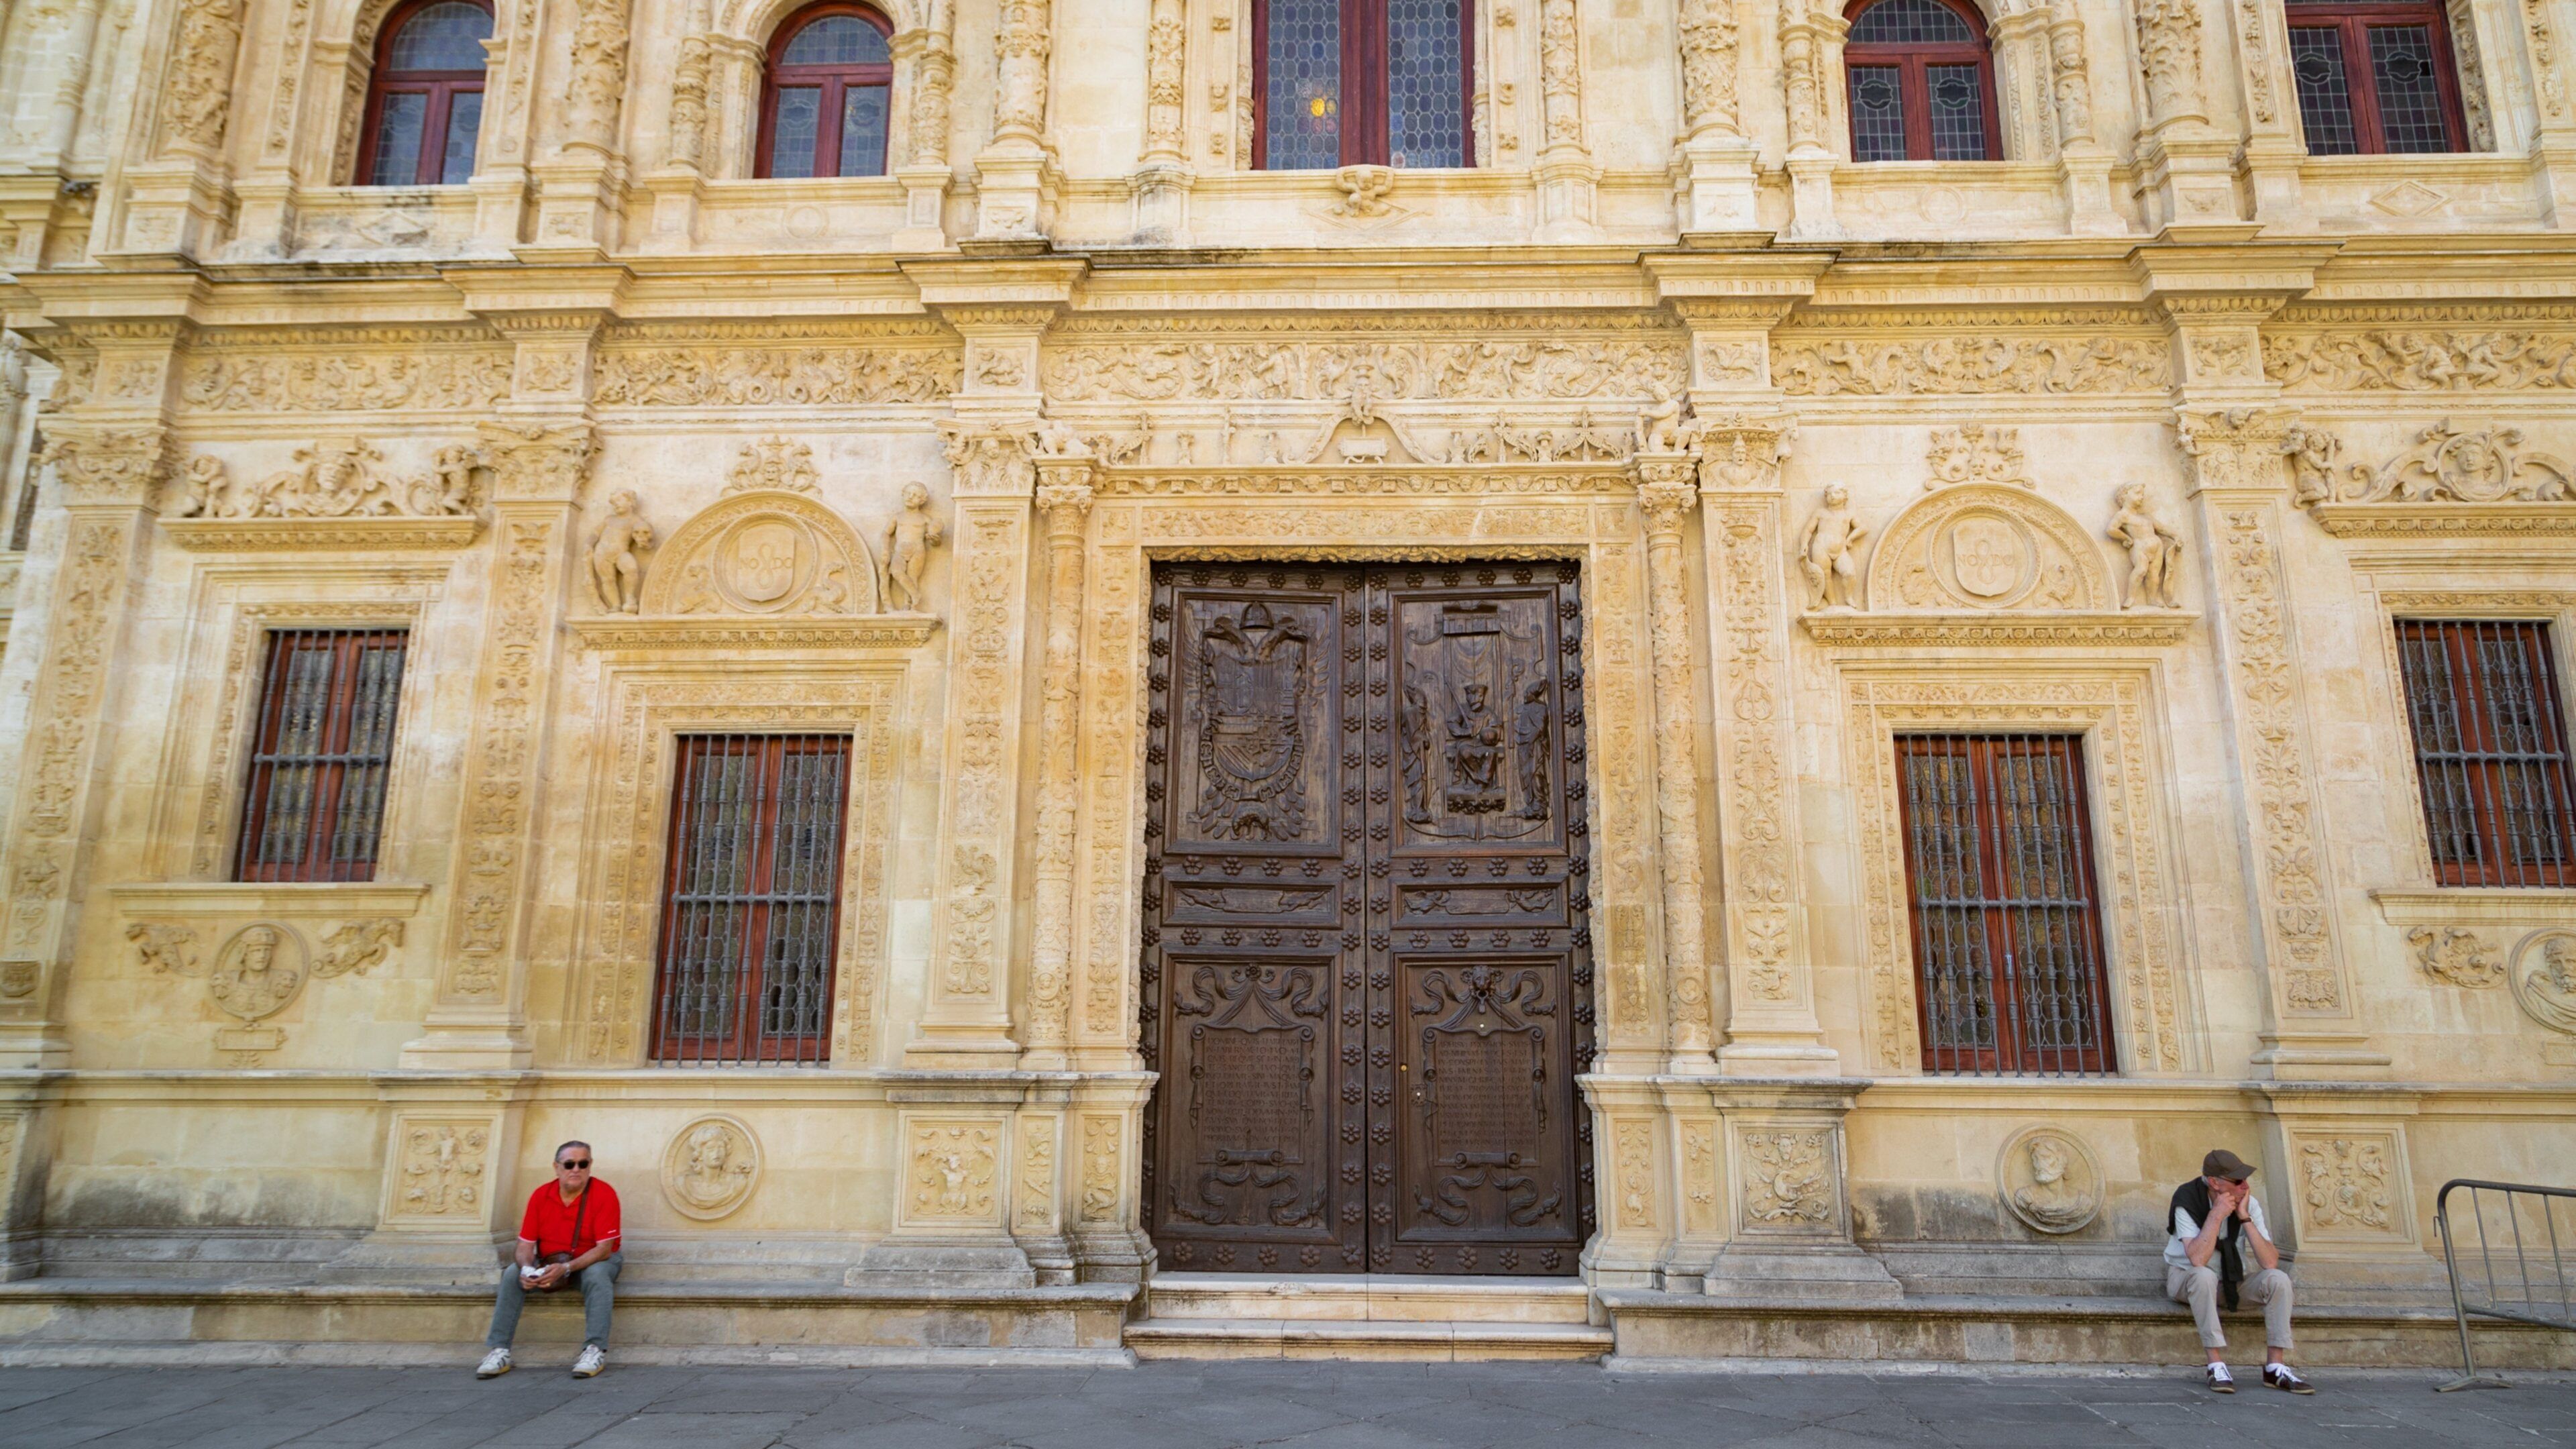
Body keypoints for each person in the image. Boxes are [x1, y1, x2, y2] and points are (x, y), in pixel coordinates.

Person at [2165, 1148, 2311, 1394]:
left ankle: (2275, 1367)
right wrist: (2216, 1215)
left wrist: (2244, 1217)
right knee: (2203, 1275)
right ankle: (2216, 1364)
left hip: (2232, 1283)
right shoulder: (2186, 1200)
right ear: (2215, 1183)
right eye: (2238, 1180)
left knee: (2278, 1279)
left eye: (2246, 1179)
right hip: (2187, 1280)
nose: (2245, 1186)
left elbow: (2270, 1262)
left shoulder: (2249, 1203)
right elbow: (2197, 1259)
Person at [478, 1141, 623, 1381]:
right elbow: (525, 1245)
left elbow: (604, 1250)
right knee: (513, 1273)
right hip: (551, 1261)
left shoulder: (604, 1194)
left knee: (597, 1275)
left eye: (583, 1164)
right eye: (569, 1164)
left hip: (593, 1261)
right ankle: (499, 1351)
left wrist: (566, 1268)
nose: (576, 1170)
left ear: (590, 1165)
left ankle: (594, 1350)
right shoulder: (541, 1195)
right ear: (556, 1167)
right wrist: (527, 1269)